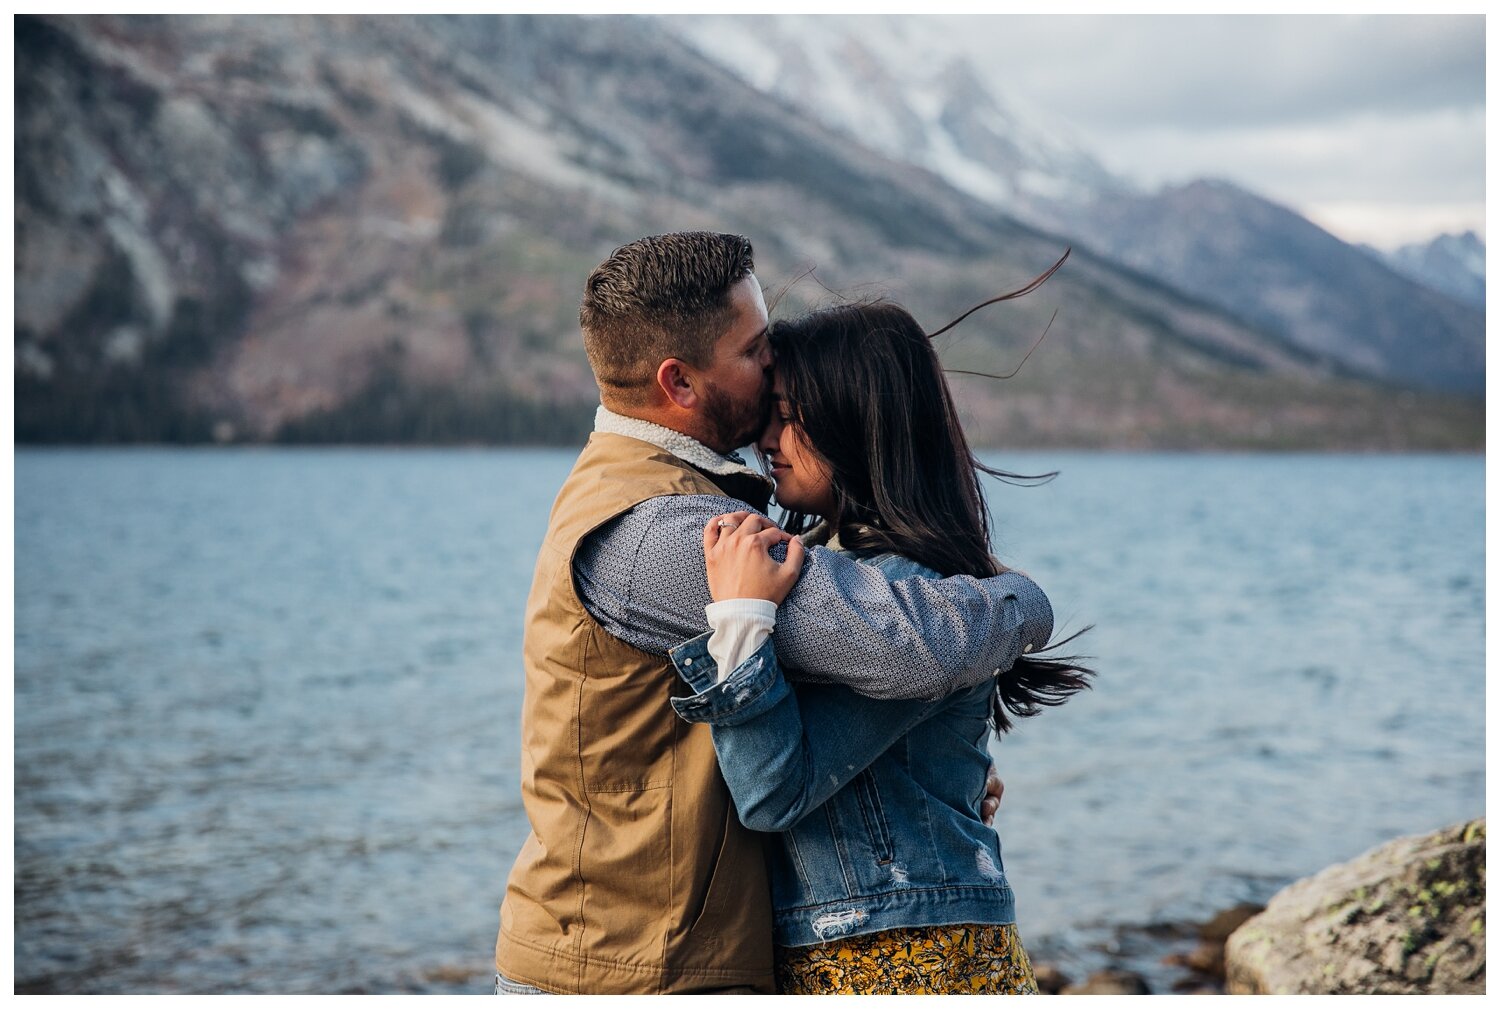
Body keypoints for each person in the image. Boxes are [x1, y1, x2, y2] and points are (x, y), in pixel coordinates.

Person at [493, 233, 1055, 994]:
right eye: (755, 350)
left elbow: (868, 672)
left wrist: (938, 762)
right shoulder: (659, 534)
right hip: (631, 970)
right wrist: (1022, 599)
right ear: (680, 382)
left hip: (677, 957)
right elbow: (911, 645)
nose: (769, 379)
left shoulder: (690, 501)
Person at [666, 297, 1094, 994]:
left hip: (903, 955)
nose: (765, 437)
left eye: (789, 412)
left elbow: (773, 792)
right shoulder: (841, 567)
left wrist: (742, 619)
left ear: (856, 420)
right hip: (886, 940)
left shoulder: (903, 588)